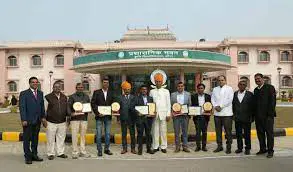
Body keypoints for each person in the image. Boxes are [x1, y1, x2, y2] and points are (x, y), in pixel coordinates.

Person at [19, 77, 47, 164]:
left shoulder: (40, 93)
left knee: (35, 139)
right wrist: (23, 119)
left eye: (36, 82)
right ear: (29, 83)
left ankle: (34, 155)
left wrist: (43, 117)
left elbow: (42, 106)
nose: (35, 84)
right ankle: (27, 157)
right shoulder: (24, 93)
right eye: (33, 82)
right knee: (27, 139)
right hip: (28, 121)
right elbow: (22, 107)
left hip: (38, 120)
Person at [254, 73, 276, 158]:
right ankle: (262, 149)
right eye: (255, 79)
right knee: (260, 134)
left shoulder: (270, 88)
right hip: (258, 117)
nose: (257, 80)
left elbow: (272, 102)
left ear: (263, 79)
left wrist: (270, 115)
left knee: (269, 134)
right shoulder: (256, 90)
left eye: (258, 78)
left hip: (268, 117)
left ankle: (270, 151)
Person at [91, 76, 114, 157]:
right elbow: (93, 103)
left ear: (109, 84)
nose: (105, 84)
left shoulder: (111, 93)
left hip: (108, 117)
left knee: (107, 134)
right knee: (99, 134)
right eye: (104, 82)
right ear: (102, 83)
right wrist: (97, 113)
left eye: (107, 83)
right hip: (99, 117)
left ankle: (107, 149)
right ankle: (99, 150)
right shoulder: (96, 92)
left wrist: (113, 110)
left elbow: (114, 104)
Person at [45, 82, 69, 160]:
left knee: (61, 138)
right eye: (55, 87)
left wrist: (68, 117)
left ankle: (60, 152)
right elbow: (44, 109)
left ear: (61, 88)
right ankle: (50, 153)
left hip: (62, 121)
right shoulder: (48, 97)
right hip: (51, 121)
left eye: (59, 87)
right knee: (50, 138)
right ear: (53, 88)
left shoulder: (64, 97)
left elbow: (67, 108)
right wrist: (44, 119)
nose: (57, 88)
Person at [211, 75, 234, 154]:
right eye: (219, 80)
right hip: (217, 114)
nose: (220, 82)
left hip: (227, 113)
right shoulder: (215, 89)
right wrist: (215, 106)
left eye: (222, 80)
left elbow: (230, 100)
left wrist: (221, 106)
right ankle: (219, 146)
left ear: (225, 80)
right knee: (218, 131)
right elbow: (213, 99)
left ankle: (228, 147)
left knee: (228, 131)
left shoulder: (229, 88)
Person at [149, 73, 171, 153]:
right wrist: (151, 112)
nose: (158, 83)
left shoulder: (166, 91)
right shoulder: (151, 91)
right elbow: (150, 103)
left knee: (163, 130)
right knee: (155, 131)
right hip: (154, 114)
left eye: (159, 81)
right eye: (157, 81)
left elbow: (168, 104)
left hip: (164, 114)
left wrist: (168, 114)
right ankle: (155, 146)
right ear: (154, 82)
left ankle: (164, 146)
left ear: (162, 82)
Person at [68, 83, 90, 159]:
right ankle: (75, 152)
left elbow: (88, 106)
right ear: (76, 88)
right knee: (74, 136)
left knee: (83, 136)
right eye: (78, 87)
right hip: (75, 119)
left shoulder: (86, 96)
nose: (80, 88)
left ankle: (83, 151)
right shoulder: (72, 97)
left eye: (81, 87)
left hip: (84, 118)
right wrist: (71, 114)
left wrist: (89, 110)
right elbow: (68, 107)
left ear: (83, 88)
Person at [232, 81, 254, 155]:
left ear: (246, 86)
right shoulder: (235, 94)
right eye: (240, 84)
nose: (242, 86)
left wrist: (252, 117)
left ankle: (247, 148)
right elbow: (233, 105)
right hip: (237, 118)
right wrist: (233, 115)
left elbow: (253, 107)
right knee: (238, 134)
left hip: (247, 118)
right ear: (238, 85)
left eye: (244, 85)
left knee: (247, 134)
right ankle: (239, 148)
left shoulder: (250, 94)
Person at [170, 82, 191, 153]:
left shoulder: (188, 94)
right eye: (179, 86)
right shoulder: (173, 95)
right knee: (176, 132)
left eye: (182, 86)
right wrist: (172, 112)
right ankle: (177, 147)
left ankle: (185, 146)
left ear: (183, 87)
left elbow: (189, 105)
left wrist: (188, 112)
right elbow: (171, 105)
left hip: (185, 116)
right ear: (177, 87)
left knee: (185, 132)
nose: (180, 87)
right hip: (176, 116)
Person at [135, 85, 155, 155]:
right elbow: (133, 108)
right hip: (140, 119)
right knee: (140, 135)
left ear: (147, 91)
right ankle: (140, 150)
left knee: (148, 135)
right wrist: (138, 112)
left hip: (148, 119)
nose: (144, 90)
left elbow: (152, 108)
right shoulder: (136, 98)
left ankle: (148, 149)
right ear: (140, 90)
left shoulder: (150, 98)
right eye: (143, 89)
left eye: (145, 89)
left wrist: (153, 113)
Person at [118, 81, 137, 154]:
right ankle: (124, 148)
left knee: (132, 134)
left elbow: (136, 108)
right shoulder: (120, 97)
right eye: (125, 89)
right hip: (123, 119)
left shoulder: (133, 97)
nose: (127, 90)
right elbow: (118, 109)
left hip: (132, 119)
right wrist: (118, 119)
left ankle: (133, 149)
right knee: (124, 134)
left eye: (128, 89)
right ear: (123, 89)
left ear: (130, 89)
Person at [191, 83, 211, 152]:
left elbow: (210, 106)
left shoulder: (208, 96)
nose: (200, 89)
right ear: (197, 89)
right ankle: (198, 146)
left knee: (204, 132)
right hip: (197, 117)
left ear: (204, 89)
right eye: (199, 88)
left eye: (201, 88)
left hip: (205, 116)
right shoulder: (193, 96)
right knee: (198, 132)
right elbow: (192, 106)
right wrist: (193, 112)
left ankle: (204, 146)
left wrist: (209, 112)